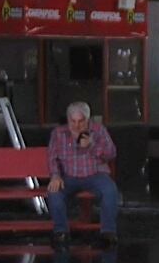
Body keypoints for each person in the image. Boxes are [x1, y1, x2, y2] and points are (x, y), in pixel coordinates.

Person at [45, 98, 121, 247]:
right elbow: (52, 157)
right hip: (69, 176)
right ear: (68, 120)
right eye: (72, 121)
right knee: (54, 192)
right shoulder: (58, 133)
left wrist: (92, 146)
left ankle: (108, 233)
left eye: (81, 121)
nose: (76, 125)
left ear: (88, 119)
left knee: (110, 190)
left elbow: (111, 153)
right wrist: (55, 175)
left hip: (95, 174)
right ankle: (61, 232)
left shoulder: (99, 130)